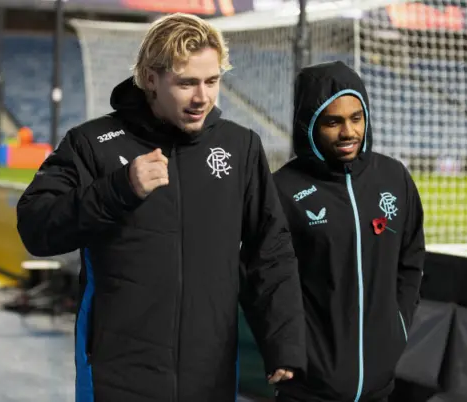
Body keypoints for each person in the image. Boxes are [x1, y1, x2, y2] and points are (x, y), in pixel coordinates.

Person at [16, 12, 306, 402]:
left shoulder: (241, 147)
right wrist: (119, 189)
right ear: (151, 79)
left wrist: (283, 342)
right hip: (117, 375)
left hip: (211, 376)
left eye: (212, 81)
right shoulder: (93, 144)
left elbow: (270, 252)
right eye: (186, 83)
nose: (202, 97)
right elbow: (35, 227)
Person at [272, 61, 425, 402]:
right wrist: (291, 345)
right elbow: (264, 279)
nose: (348, 132)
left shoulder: (394, 177)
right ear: (309, 124)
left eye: (356, 118)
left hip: (378, 387)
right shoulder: (282, 190)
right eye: (333, 122)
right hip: (308, 389)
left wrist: (397, 326)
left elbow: (411, 258)